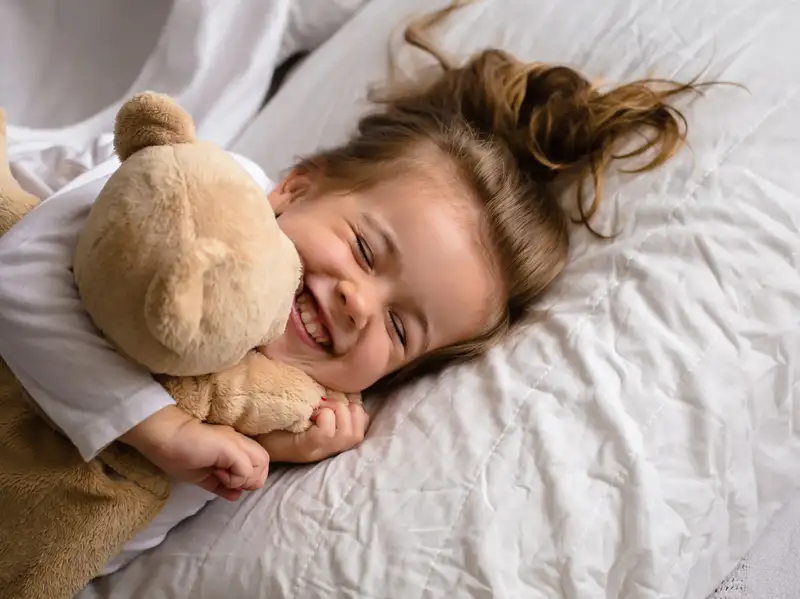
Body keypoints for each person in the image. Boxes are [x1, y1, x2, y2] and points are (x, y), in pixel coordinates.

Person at [0, 4, 706, 576]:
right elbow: (18, 274)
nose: (359, 302)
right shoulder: (209, 192)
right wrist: (161, 430)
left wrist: (260, 449)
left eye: (401, 329)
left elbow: (92, 532)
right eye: (365, 250)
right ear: (296, 187)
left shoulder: (261, 408)